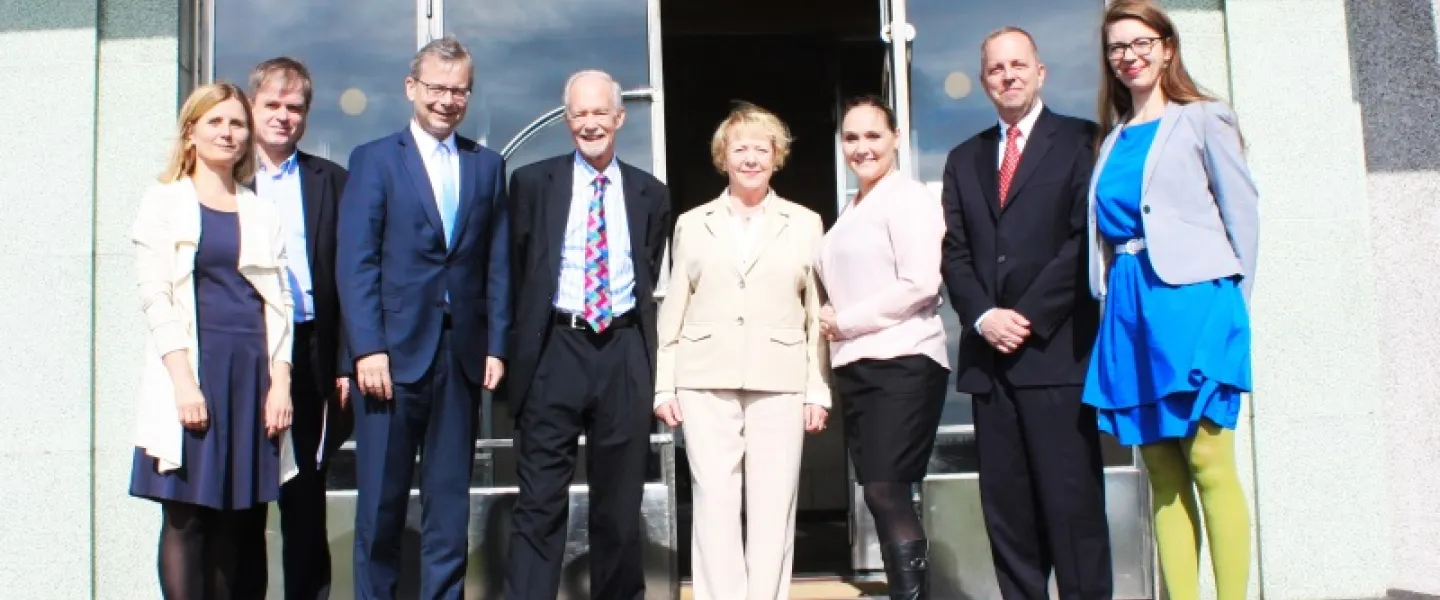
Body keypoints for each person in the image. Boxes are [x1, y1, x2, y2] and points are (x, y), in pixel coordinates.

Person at [1085, 2, 1258, 599]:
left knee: (1209, 461)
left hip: (1195, 304)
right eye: (1117, 47)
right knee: (1161, 474)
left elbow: (1243, 217)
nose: (1129, 56)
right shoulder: (1110, 140)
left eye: (1141, 43)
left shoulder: (1205, 118)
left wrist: (1232, 307)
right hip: (1130, 311)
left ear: (1166, 48)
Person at [939, 27, 1114, 600]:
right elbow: (955, 252)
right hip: (990, 363)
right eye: (996, 68)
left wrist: (1028, 315)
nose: (1008, 75)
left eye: (1018, 65)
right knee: (1008, 515)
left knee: (1072, 507)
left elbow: (1083, 240)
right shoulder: (963, 159)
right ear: (983, 81)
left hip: (1056, 354)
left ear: (1041, 73)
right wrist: (983, 316)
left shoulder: (1082, 141)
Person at [336, 37, 511, 600]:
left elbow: (496, 262)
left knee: (449, 504)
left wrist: (496, 343)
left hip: (459, 359)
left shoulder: (487, 166)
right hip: (389, 361)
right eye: (436, 88)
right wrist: (366, 348)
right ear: (412, 87)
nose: (446, 101)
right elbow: (357, 262)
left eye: (459, 91)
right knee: (381, 508)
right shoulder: (373, 160)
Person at [504, 69, 672, 600]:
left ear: (619, 118)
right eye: (579, 113)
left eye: (600, 112)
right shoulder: (532, 184)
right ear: (567, 119)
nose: (590, 123)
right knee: (539, 503)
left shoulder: (650, 193)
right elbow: (515, 270)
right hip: (554, 348)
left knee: (618, 506)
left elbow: (647, 267)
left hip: (623, 349)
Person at [654, 102, 830, 600]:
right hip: (704, 377)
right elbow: (675, 308)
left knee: (775, 504)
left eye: (761, 149)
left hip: (781, 378)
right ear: (722, 157)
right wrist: (664, 384)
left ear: (777, 157)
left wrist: (817, 389)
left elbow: (816, 314)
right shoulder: (692, 223)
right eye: (739, 149)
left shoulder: (805, 222)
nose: (750, 159)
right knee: (714, 501)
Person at [129, 81, 297, 599]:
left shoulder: (261, 210)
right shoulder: (163, 201)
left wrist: (281, 384)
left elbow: (281, 304)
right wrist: (184, 384)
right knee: (187, 518)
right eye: (216, 121)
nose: (228, 132)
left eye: (237, 123)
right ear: (191, 132)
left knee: (236, 524)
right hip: (194, 374)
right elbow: (156, 297)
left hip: (250, 380)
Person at [815, 95, 948, 600]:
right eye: (851, 137)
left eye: (873, 135)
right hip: (859, 366)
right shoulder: (852, 208)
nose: (862, 147)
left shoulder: (908, 198)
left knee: (886, 489)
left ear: (896, 138)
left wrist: (844, 321)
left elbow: (920, 284)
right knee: (879, 492)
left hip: (904, 360)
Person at [247, 56, 352, 600]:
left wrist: (346, 362)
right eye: (272, 104)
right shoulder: (227, 179)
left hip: (312, 351)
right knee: (243, 496)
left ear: (306, 115)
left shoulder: (332, 182)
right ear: (252, 106)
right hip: (245, 352)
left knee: (305, 495)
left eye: (294, 107)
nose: (283, 116)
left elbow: (352, 279)